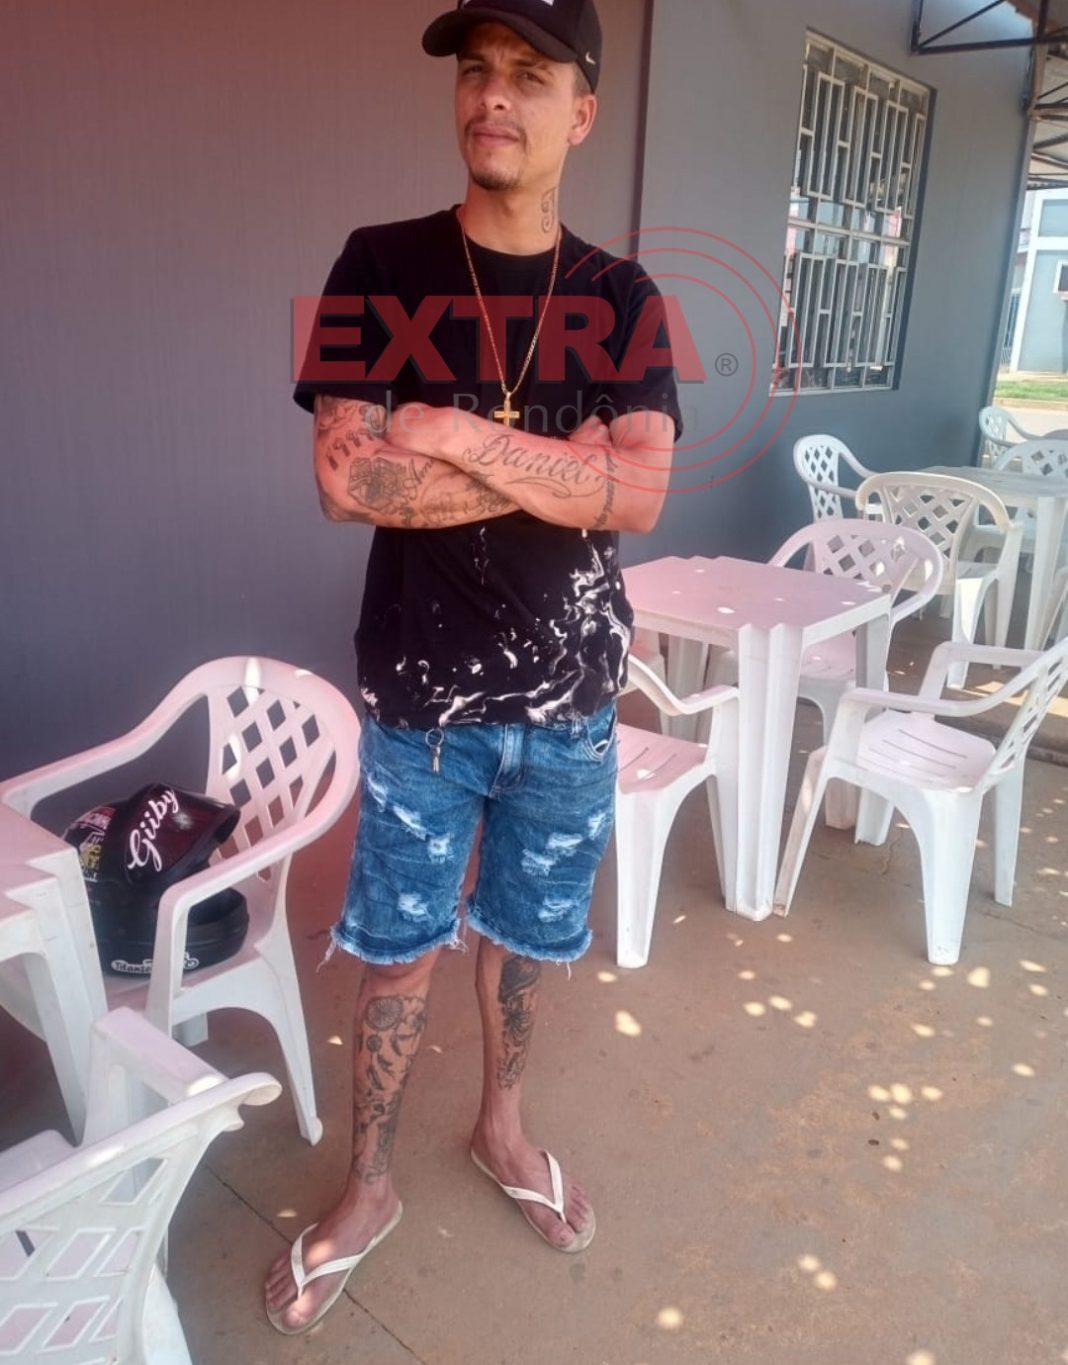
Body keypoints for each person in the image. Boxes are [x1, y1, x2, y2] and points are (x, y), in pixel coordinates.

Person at [265, 0, 683, 1334]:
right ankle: (369, 1186)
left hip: (571, 702)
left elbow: (641, 496)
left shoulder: (621, 298)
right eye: (479, 70)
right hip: (420, 703)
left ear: (582, 112)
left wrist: (447, 433)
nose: (493, 94)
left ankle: (503, 1126)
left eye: (531, 74)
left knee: (524, 944)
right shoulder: (379, 267)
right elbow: (348, 483)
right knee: (396, 954)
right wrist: (562, 470)